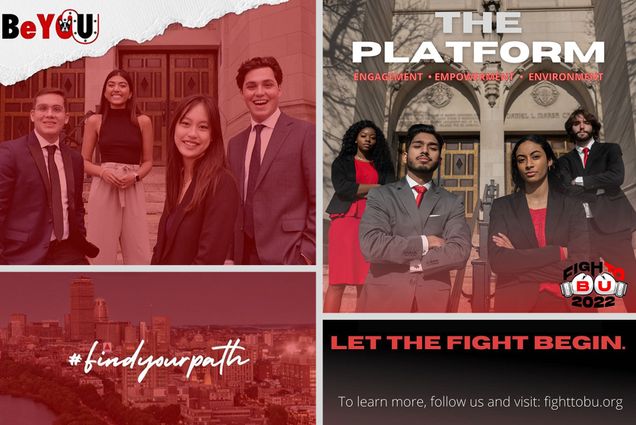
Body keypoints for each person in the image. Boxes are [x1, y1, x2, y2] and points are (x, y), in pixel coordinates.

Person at [357, 124, 471, 312]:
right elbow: (372, 246)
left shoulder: (452, 202)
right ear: (404, 155)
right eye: (418, 145)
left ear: (439, 160)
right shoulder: (382, 195)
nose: (425, 151)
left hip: (432, 302)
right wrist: (426, 243)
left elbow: (460, 251)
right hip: (384, 299)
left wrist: (415, 263)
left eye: (432, 148)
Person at [227, 56, 315, 265]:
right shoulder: (234, 144)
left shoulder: (304, 134)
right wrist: (229, 254)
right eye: (251, 86)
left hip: (288, 255)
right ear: (242, 93)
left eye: (268, 85)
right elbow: (232, 205)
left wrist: (306, 255)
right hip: (243, 258)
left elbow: (317, 198)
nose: (259, 93)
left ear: (279, 89)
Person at [488, 135, 589, 312]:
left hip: (567, 302)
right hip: (516, 301)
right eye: (521, 160)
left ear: (549, 161)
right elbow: (499, 262)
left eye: (535, 156)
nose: (528, 164)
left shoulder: (572, 207)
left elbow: (581, 265)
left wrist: (518, 258)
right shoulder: (502, 207)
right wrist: (557, 252)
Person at [0, 88, 98, 264]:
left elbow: (76, 208)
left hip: (68, 251)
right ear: (32, 115)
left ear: (66, 118)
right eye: (43, 108)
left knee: (86, 289)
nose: (49, 114)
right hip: (22, 253)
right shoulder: (9, 153)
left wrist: (79, 241)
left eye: (56, 109)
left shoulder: (75, 159)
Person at [559, 108, 636, 311]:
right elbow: (565, 189)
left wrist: (582, 181)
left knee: (629, 279)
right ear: (571, 129)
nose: (581, 126)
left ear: (593, 127)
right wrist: (600, 187)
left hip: (614, 227)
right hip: (582, 230)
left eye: (586, 122)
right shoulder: (564, 161)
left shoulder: (610, 149)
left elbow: (616, 178)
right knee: (585, 284)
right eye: (576, 123)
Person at [151, 95, 239, 265]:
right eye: (185, 123)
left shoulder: (222, 184)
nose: (192, 134)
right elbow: (160, 249)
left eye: (203, 127)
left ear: (213, 136)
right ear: (174, 127)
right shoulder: (179, 178)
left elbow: (207, 262)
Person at [82, 69, 153, 264]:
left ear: (130, 93)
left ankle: (138, 291)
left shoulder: (143, 121)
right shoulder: (95, 121)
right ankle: (100, 289)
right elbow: (84, 161)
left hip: (132, 184)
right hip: (104, 184)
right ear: (105, 91)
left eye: (122, 85)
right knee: (99, 246)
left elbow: (148, 161)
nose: (116, 89)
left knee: (138, 249)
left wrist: (136, 176)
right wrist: (102, 172)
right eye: (111, 85)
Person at [324, 120, 395, 312]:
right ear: (355, 138)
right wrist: (375, 188)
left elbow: (389, 191)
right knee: (337, 282)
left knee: (366, 282)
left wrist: (364, 190)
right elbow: (343, 188)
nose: (368, 140)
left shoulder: (384, 165)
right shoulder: (342, 162)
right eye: (363, 136)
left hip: (373, 226)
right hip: (344, 223)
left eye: (372, 137)